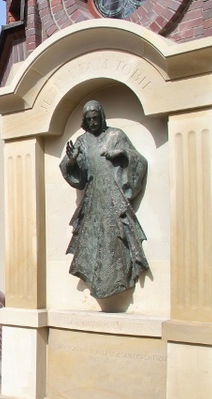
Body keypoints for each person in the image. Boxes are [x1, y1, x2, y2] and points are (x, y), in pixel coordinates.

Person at [59, 100, 149, 299]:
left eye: (95, 118)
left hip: (113, 196)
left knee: (118, 237)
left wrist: (122, 153)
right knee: (91, 240)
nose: (92, 122)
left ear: (102, 116)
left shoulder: (116, 135)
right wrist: (72, 161)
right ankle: (97, 282)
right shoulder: (82, 141)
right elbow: (72, 172)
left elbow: (140, 161)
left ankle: (118, 281)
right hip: (92, 198)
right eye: (89, 119)